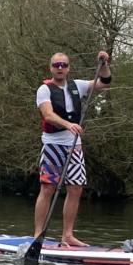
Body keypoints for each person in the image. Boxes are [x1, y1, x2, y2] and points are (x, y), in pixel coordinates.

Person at [33, 51, 111, 246]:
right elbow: (48, 115)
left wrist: (104, 63)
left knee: (75, 188)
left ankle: (67, 235)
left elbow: (104, 83)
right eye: (56, 65)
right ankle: (38, 234)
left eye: (64, 65)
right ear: (51, 67)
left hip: (74, 146)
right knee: (48, 188)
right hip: (53, 145)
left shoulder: (79, 85)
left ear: (68, 68)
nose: (60, 68)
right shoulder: (44, 89)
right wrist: (68, 125)